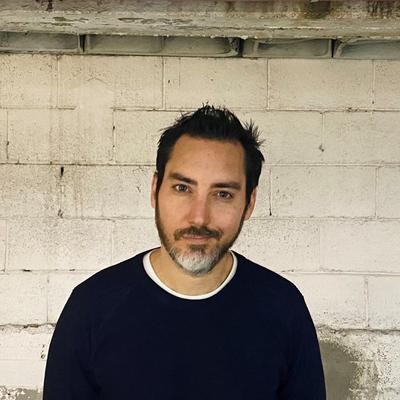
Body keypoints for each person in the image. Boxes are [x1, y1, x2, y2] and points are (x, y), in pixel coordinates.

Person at [43, 105, 326, 399]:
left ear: (249, 203)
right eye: (182, 188)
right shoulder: (91, 307)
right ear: (155, 190)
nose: (199, 217)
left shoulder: (283, 307)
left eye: (223, 194)